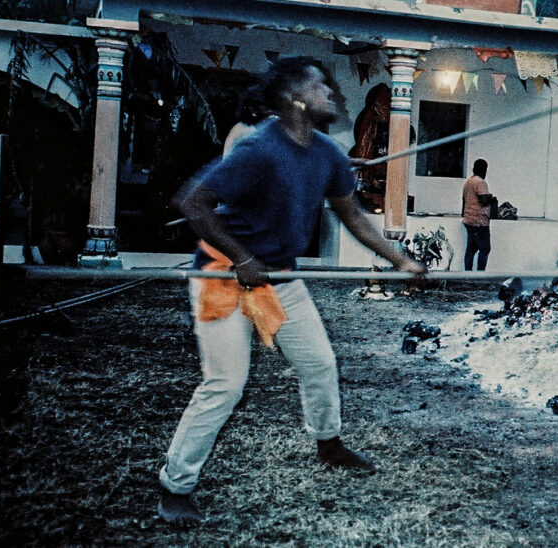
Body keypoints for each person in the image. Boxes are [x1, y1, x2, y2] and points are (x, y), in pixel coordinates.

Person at [158, 56, 425, 527]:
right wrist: (241, 258)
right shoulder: (259, 149)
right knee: (224, 385)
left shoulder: (327, 154)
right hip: (222, 277)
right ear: (296, 99)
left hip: (280, 277)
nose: (333, 94)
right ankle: (175, 486)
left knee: (320, 364)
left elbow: (354, 217)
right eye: (321, 86)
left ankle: (328, 443)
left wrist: (398, 258)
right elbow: (193, 203)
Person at [461, 159, 496, 271]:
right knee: (485, 249)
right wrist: (491, 198)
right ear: (483, 170)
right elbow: (484, 201)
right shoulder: (481, 182)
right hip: (479, 221)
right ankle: (480, 276)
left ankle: (468, 275)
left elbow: (464, 200)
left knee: (471, 249)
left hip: (469, 220)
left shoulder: (468, 182)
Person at [222, 84, 271, 157]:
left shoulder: (243, 127)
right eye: (263, 106)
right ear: (251, 108)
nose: (268, 110)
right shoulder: (246, 130)